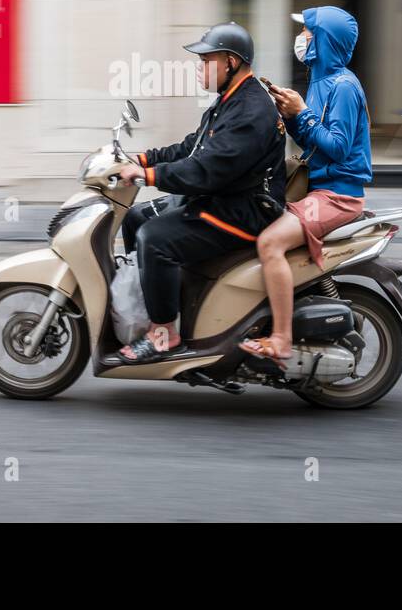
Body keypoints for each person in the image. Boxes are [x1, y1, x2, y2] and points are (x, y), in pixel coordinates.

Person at [111, 22, 286, 363]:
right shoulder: (229, 101)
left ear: (230, 63)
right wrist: (141, 159)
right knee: (135, 218)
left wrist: (147, 175)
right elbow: (192, 148)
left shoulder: (251, 111)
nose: (199, 67)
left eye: (207, 60)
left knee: (154, 237)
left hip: (247, 209)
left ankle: (165, 334)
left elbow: (205, 171)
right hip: (223, 196)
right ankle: (155, 302)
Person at [240, 6, 372, 367]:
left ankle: (281, 339)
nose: (303, 39)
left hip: (338, 196)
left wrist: (304, 114)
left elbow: (338, 147)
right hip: (319, 188)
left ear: (326, 40)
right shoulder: (320, 81)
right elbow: (314, 145)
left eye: (310, 33)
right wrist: (290, 116)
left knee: (269, 243)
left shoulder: (343, 87)